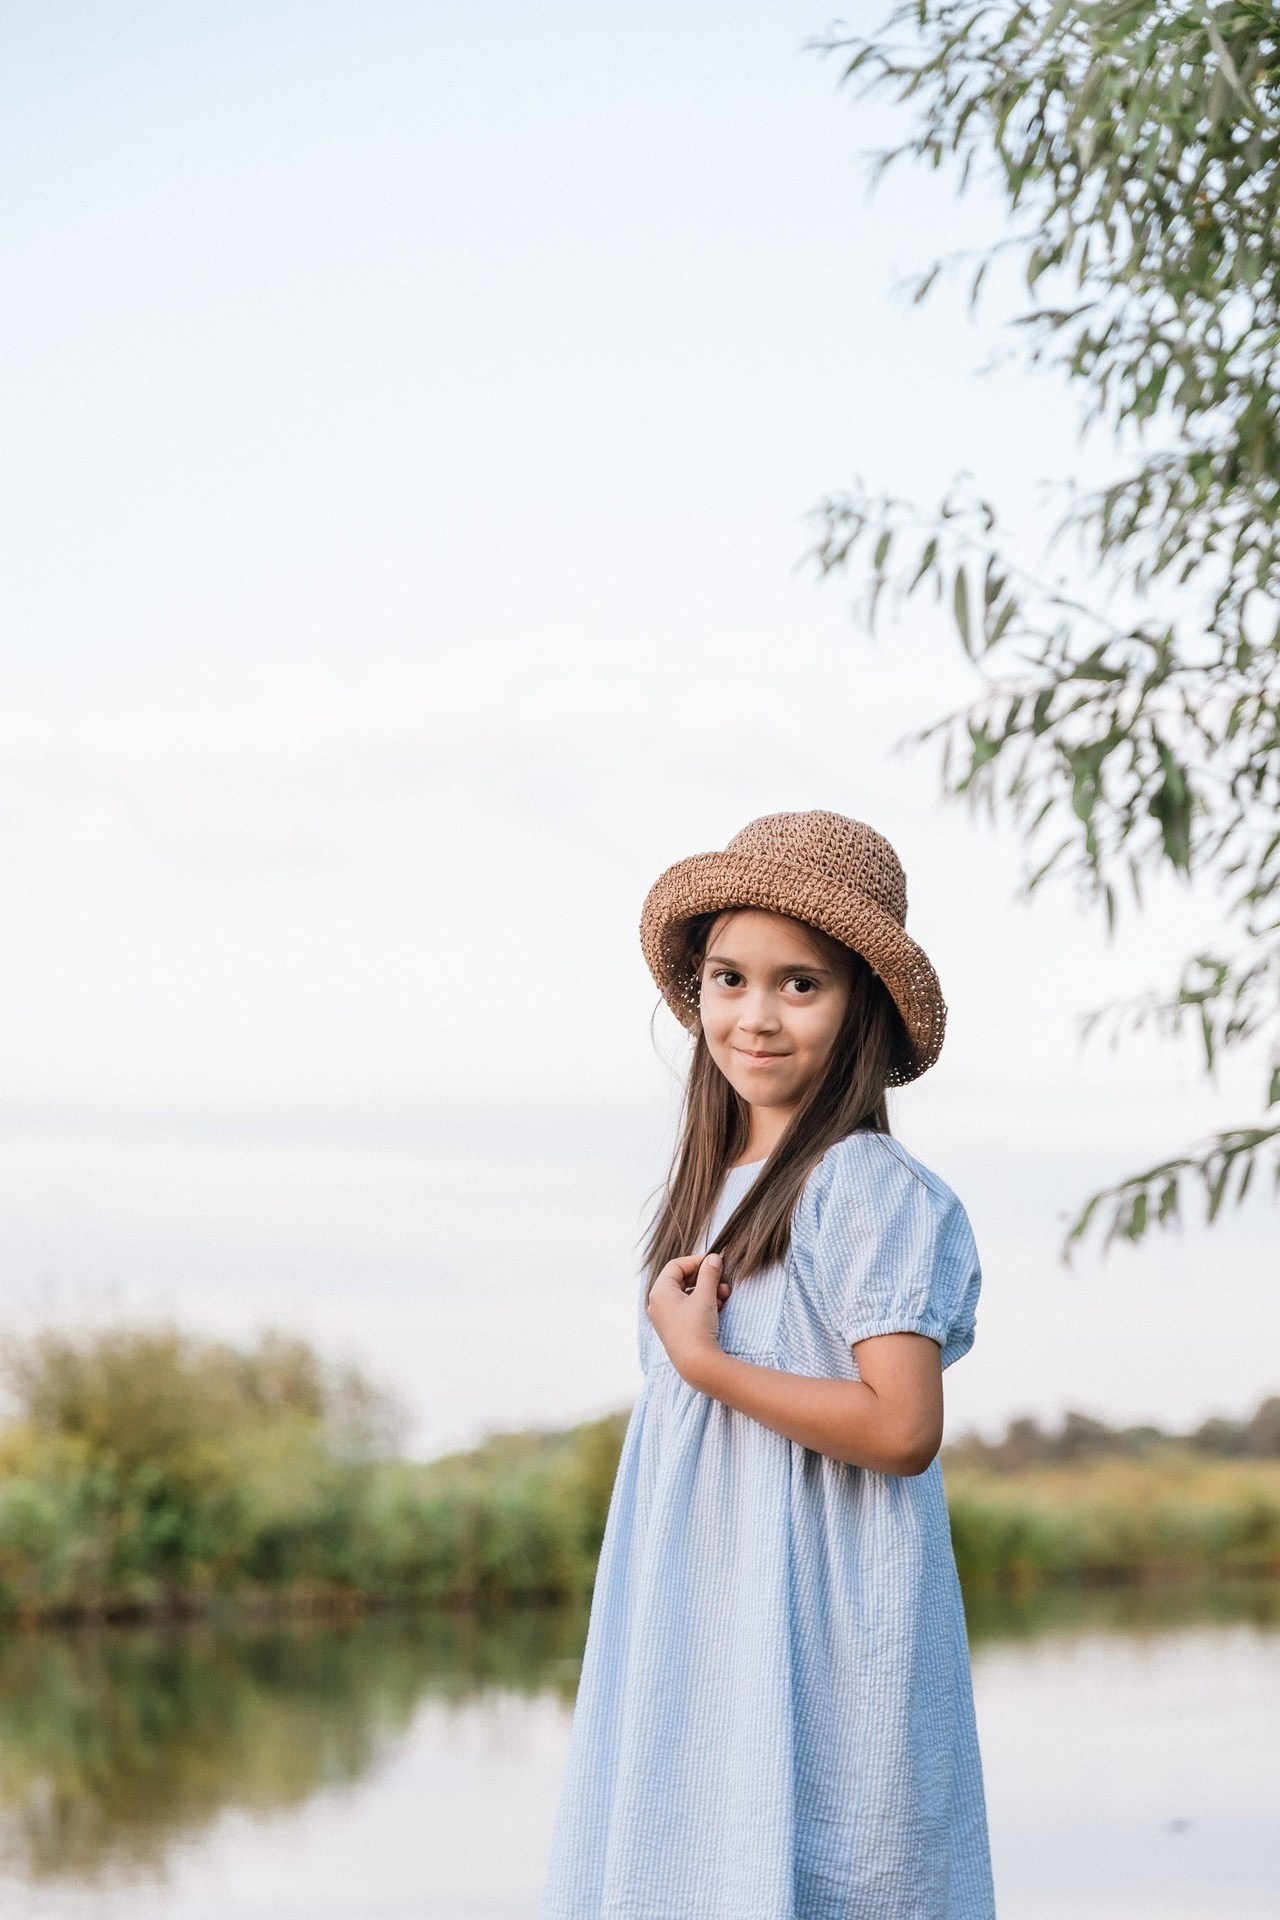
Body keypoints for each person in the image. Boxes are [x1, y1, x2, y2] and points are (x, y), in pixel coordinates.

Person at [540, 809, 996, 1920]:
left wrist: (706, 1366)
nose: (756, 1015)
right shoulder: (708, 1192)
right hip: (703, 1617)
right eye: (729, 979)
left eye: (801, 984)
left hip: (824, 1627)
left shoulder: (862, 1186)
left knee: (840, 1873)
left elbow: (900, 1429)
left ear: (862, 1009)